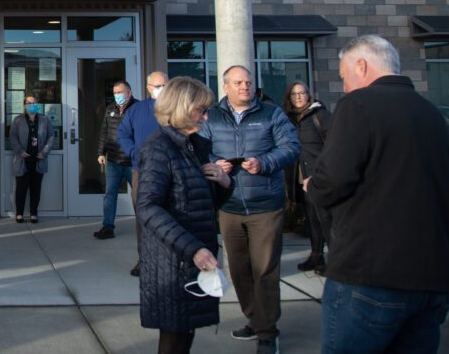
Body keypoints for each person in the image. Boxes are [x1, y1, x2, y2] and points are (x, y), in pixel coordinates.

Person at [308, 35, 449, 353]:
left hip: (369, 276)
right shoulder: (433, 115)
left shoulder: (357, 105)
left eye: (344, 76)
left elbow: (331, 181)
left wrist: (312, 186)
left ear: (361, 65)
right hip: (431, 280)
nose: (344, 87)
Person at [200, 65, 299, 354]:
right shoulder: (212, 116)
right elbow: (200, 149)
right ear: (226, 86)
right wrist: (217, 161)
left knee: (265, 270)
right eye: (239, 82)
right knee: (240, 270)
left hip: (265, 206)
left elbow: (291, 146)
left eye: (249, 81)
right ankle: (255, 319)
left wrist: (264, 162)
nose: (245, 86)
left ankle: (267, 333)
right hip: (229, 206)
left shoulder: (271, 113)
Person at [136, 77, 232, 354]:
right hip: (173, 261)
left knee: (184, 332)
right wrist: (194, 250)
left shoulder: (193, 146)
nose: (205, 115)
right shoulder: (159, 149)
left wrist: (225, 184)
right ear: (181, 107)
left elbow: (203, 202)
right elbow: (148, 207)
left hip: (192, 256)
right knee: (174, 338)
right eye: (200, 109)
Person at [117, 71, 168, 276]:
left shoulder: (178, 108)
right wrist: (133, 152)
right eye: (158, 86)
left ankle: (169, 259)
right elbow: (123, 134)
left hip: (172, 173)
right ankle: (145, 259)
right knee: (144, 218)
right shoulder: (137, 110)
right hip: (143, 171)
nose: (162, 90)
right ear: (149, 88)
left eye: (165, 85)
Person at [282, 80, 330, 274]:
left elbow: (334, 143)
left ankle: (335, 261)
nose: (299, 97)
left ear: (309, 95)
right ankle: (316, 256)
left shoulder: (320, 115)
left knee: (326, 219)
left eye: (302, 93)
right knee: (311, 219)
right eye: (294, 94)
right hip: (299, 177)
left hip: (319, 177)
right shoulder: (288, 118)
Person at [94, 80, 139, 239]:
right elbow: (104, 131)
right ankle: (107, 227)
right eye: (115, 93)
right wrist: (101, 152)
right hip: (113, 160)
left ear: (129, 93)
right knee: (110, 194)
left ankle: (145, 227)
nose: (117, 95)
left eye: (120, 92)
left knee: (140, 196)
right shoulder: (110, 109)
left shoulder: (138, 108)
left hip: (132, 162)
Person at [9, 95, 52, 223]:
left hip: (38, 159)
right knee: (21, 188)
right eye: (29, 103)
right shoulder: (18, 120)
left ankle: (34, 213)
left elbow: (50, 136)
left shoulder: (45, 120)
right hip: (23, 159)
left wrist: (44, 152)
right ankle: (19, 214)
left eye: (34, 103)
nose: (32, 105)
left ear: (38, 104)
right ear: (24, 105)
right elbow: (12, 137)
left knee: (36, 188)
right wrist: (20, 151)